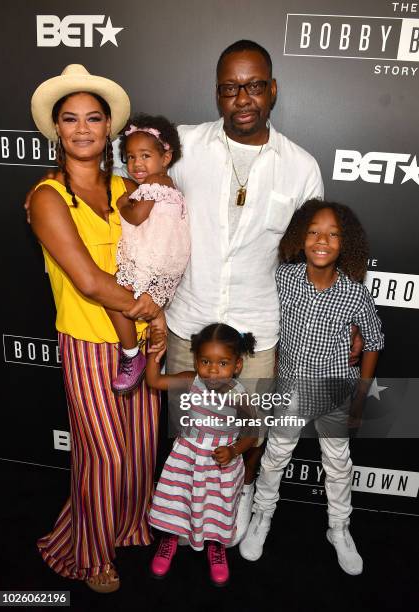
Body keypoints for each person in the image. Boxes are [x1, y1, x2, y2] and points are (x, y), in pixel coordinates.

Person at [163, 39, 327, 543]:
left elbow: (310, 261)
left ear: (272, 90)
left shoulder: (301, 167)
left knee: (248, 431)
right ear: (217, 95)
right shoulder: (182, 146)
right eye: (231, 88)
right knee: (190, 436)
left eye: (254, 86)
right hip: (188, 325)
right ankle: (188, 510)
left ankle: (242, 495)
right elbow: (128, 186)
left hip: (257, 333)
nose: (243, 98)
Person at [29, 64, 166, 592]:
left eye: (93, 118)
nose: (82, 128)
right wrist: (149, 311)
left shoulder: (128, 187)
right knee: (103, 454)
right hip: (87, 342)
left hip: (140, 340)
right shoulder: (46, 196)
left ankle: (128, 527)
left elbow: (158, 256)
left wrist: (160, 319)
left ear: (109, 128)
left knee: (138, 447)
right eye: (70, 119)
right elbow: (88, 280)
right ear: (56, 130)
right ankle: (88, 554)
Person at [239, 200, 384, 575]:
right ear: (300, 237)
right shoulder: (283, 278)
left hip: (335, 392)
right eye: (314, 232)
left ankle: (339, 528)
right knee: (274, 457)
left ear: (345, 243)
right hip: (288, 390)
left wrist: (360, 399)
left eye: (334, 234)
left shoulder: (354, 293)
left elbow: (373, 340)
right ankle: (262, 516)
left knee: (337, 465)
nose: (323, 240)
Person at [145, 323, 258, 586]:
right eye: (206, 361)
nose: (213, 370)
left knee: (217, 505)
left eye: (223, 363)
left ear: (237, 365)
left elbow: (253, 433)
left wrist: (233, 450)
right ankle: (170, 539)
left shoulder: (240, 396)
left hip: (222, 462)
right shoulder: (191, 380)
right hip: (188, 455)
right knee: (178, 498)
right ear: (196, 360)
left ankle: (216, 546)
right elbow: (154, 380)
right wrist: (154, 353)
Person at [106, 113, 190, 395]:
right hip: (163, 265)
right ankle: (156, 325)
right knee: (139, 306)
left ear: (166, 157)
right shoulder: (168, 185)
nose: (137, 164)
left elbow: (138, 217)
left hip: (151, 262)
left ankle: (131, 355)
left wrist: (122, 203)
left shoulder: (154, 185)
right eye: (130, 157)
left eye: (145, 155)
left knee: (113, 297)